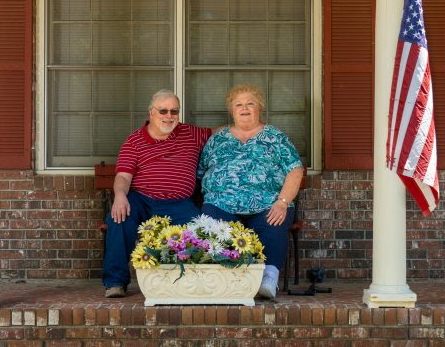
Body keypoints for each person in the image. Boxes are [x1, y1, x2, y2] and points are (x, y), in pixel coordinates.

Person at [197, 83, 304, 301]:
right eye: (239, 104)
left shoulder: (275, 137)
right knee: (212, 225)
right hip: (222, 202)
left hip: (268, 202)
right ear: (231, 110)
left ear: (259, 108)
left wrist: (283, 201)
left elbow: (295, 170)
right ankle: (225, 280)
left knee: (273, 225)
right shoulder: (217, 139)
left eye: (250, 104)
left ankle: (268, 281)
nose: (244, 108)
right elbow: (201, 171)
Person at [102, 89, 212, 298]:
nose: (169, 116)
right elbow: (123, 177)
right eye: (163, 110)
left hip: (179, 203)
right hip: (142, 200)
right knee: (119, 219)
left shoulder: (191, 133)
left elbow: (221, 133)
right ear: (151, 113)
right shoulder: (134, 141)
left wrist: (247, 126)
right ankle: (115, 282)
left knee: (202, 230)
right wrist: (120, 196)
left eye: (174, 111)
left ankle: (191, 282)